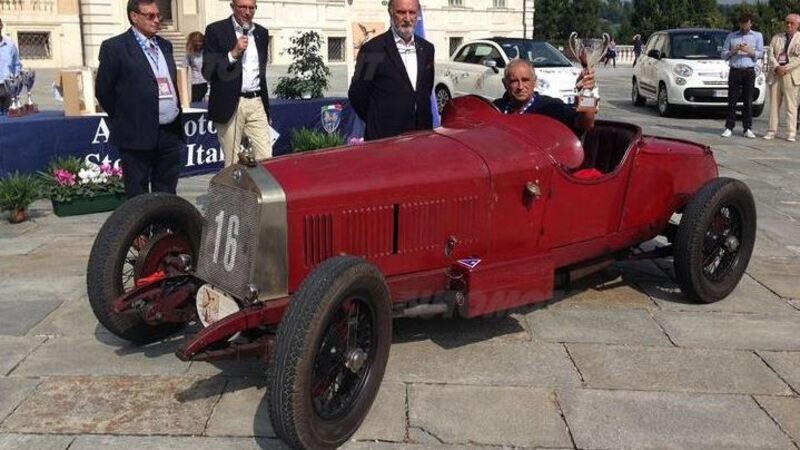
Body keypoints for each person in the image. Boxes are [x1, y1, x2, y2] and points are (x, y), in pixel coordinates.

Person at [95, 0, 184, 198]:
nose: (156, 20)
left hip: (169, 131)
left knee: (167, 189)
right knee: (138, 192)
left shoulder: (165, 46)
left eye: (158, 15)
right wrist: (126, 117)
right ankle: (141, 230)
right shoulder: (115, 47)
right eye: (150, 16)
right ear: (134, 17)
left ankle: (164, 227)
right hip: (136, 132)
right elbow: (103, 91)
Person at [348, 0, 435, 141]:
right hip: (385, 138)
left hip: (421, 137)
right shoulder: (373, 50)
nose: (407, 18)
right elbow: (357, 95)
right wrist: (378, 120)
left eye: (412, 12)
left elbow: (426, 89)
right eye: (401, 12)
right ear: (391, 13)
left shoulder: (427, 49)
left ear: (417, 14)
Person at [203, 0, 272, 167]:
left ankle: (260, 193)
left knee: (266, 158)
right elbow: (208, 72)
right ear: (233, 7)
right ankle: (233, 194)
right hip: (231, 103)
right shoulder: (216, 31)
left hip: (256, 101)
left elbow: (260, 75)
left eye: (251, 8)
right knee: (233, 162)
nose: (247, 12)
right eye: (242, 7)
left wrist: (266, 108)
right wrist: (233, 54)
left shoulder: (261, 33)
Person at [492, 59, 596, 134]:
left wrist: (586, 94)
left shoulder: (550, 107)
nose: (520, 86)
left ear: (534, 82)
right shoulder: (496, 108)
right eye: (514, 81)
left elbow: (586, 124)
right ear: (505, 84)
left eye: (525, 80)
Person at [721, 13, 764, 138]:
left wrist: (749, 51)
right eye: (742, 24)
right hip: (735, 70)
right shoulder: (732, 36)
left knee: (748, 100)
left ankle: (747, 128)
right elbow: (723, 54)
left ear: (751, 23)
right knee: (732, 100)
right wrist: (734, 50)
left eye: (746, 23)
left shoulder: (757, 36)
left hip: (748, 71)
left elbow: (760, 53)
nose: (744, 26)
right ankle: (729, 126)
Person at [764, 14, 800, 142]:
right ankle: (771, 131)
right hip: (775, 74)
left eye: (792, 23)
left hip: (790, 75)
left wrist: (786, 68)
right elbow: (770, 54)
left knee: (791, 106)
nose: (789, 25)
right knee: (774, 105)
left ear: (797, 25)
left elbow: (798, 59)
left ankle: (791, 133)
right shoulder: (777, 37)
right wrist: (777, 67)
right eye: (787, 23)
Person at [0, 17, 22, 114]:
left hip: (7, 89)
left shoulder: (10, 45)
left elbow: (17, 65)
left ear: (1, 26)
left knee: (9, 120)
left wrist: (14, 83)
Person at [185, 31, 208, 103]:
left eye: (200, 41)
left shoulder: (206, 51)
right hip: (196, 83)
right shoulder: (189, 54)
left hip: (207, 82)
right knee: (196, 105)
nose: (199, 44)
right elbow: (184, 68)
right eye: (197, 42)